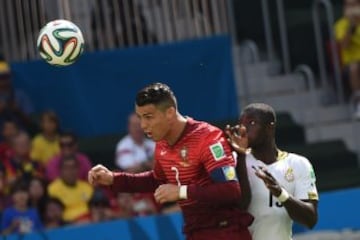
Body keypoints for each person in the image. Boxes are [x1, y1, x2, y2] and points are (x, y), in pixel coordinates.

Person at [88, 82, 253, 240]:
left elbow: (231, 190)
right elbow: (157, 180)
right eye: (140, 118)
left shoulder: (208, 138)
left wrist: (182, 191)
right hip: (194, 232)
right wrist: (113, 179)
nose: (143, 125)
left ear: (169, 113)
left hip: (226, 232)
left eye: (149, 117)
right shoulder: (162, 144)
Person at [225, 103, 319, 240]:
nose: (243, 129)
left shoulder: (299, 164)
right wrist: (240, 155)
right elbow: (240, 207)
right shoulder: (233, 161)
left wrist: (281, 194)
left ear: (270, 127)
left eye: (251, 122)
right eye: (241, 124)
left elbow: (310, 219)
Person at [48, 155, 93, 224]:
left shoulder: (87, 187)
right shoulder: (53, 189)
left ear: (78, 169)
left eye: (73, 168)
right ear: (61, 171)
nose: (71, 171)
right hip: (65, 226)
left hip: (89, 223)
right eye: (67, 168)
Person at [334, 0, 360, 118]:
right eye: (348, 5)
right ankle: (359, 102)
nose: (351, 8)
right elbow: (344, 45)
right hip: (351, 64)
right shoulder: (341, 24)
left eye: (353, 5)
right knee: (354, 67)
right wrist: (352, 26)